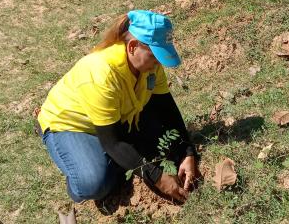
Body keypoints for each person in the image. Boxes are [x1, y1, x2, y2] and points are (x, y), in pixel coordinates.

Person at [37, 10, 200, 204]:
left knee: (160, 146)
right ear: (132, 47)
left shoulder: (150, 67)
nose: (158, 63)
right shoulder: (101, 74)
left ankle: (109, 158)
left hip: (117, 119)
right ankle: (77, 167)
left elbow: (167, 110)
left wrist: (187, 153)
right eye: (155, 56)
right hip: (69, 125)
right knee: (95, 183)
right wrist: (156, 177)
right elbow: (113, 143)